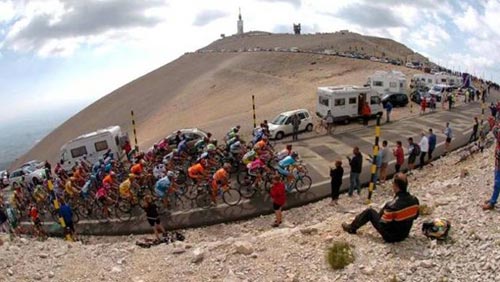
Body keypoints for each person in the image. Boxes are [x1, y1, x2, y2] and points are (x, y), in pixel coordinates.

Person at [341, 173, 420, 243]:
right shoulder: (415, 200)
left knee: (370, 212)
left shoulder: (392, 206)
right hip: (404, 234)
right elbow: (415, 216)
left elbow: (383, 223)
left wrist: (383, 212)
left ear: (396, 186)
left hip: (391, 237)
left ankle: (351, 228)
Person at [483, 121, 500, 210]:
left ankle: (492, 202)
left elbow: (495, 131)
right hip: (498, 162)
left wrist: (495, 125)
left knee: (497, 183)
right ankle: (493, 199)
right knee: (497, 182)